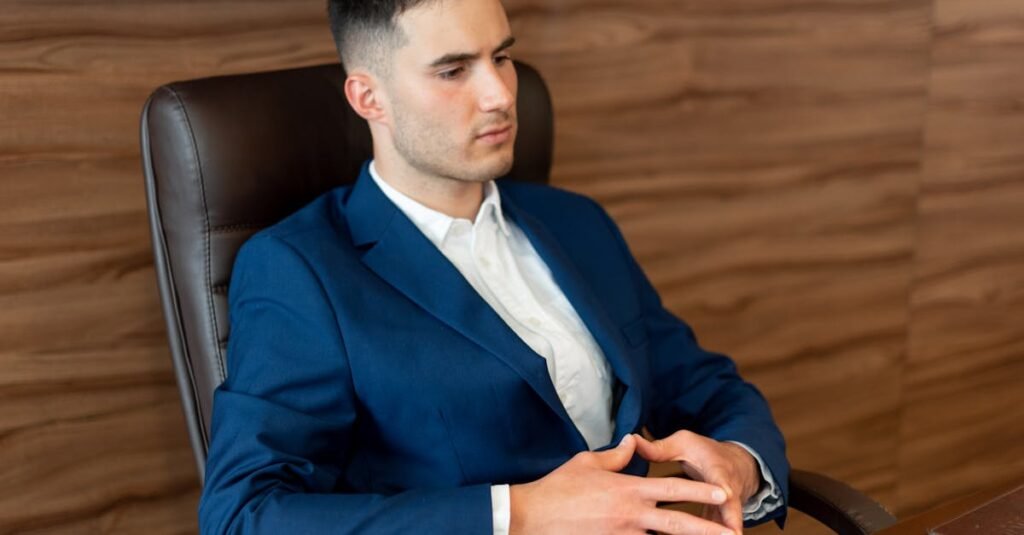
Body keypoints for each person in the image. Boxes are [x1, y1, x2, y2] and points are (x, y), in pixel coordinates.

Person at [198, 0, 789, 533]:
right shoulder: (300, 271)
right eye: (454, 70)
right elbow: (244, 514)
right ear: (368, 98)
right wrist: (520, 513)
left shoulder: (577, 223)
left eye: (502, 57)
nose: (502, 95)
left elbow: (698, 382)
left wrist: (740, 456)